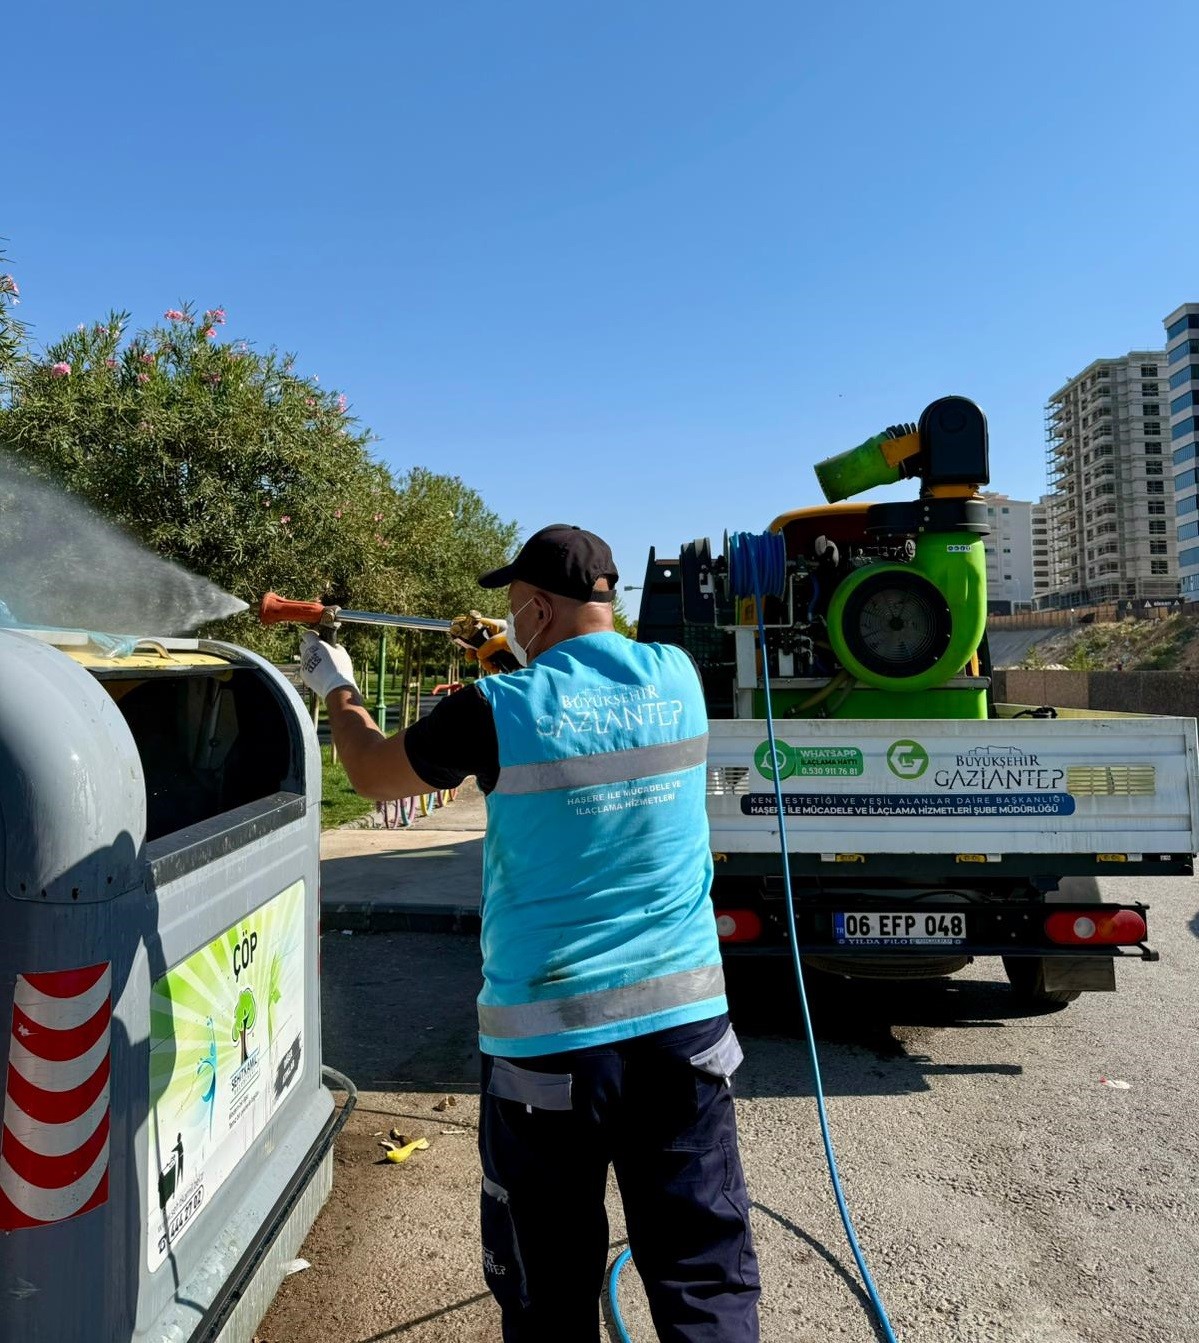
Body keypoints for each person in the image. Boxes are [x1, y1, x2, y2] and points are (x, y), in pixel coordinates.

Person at [298, 523, 760, 1342]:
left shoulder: (495, 710)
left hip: (549, 1048)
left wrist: (335, 685)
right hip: (683, 1032)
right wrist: (508, 663)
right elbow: (587, 714)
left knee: (547, 1288)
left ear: (538, 609)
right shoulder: (678, 677)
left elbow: (372, 772)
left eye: (514, 610)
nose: (510, 623)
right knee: (702, 1276)